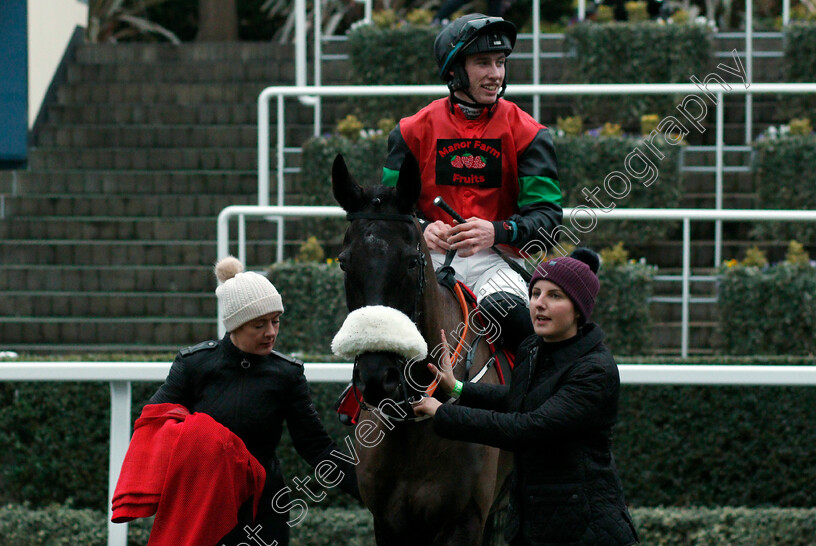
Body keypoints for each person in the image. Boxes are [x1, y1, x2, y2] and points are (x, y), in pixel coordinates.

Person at [413, 249, 639, 545]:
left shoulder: (595, 370)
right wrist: (457, 388)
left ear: (579, 309)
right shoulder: (533, 348)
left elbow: (526, 429)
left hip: (587, 530)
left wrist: (441, 412)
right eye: (534, 293)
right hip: (531, 524)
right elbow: (520, 398)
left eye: (555, 296)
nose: (539, 304)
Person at [144, 256, 360, 545]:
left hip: (266, 508)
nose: (270, 332)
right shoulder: (194, 365)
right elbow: (153, 423)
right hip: (203, 506)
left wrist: (367, 488)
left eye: (275, 321)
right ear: (235, 325)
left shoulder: (287, 374)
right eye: (259, 325)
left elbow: (316, 446)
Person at [382, 13, 564, 353]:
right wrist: (420, 227)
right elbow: (389, 212)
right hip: (427, 258)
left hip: (496, 261)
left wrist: (497, 231)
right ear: (454, 70)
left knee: (513, 319)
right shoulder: (409, 132)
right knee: (381, 325)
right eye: (483, 63)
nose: (496, 74)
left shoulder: (530, 134)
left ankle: (532, 401)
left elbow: (548, 220)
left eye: (500, 62)